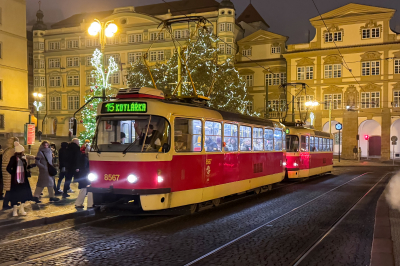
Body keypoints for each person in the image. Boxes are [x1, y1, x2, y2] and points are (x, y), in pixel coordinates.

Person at [6, 142, 33, 217]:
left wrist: (30, 166)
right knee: (15, 195)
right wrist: (14, 174)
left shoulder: (23, 159)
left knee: (23, 195)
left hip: (23, 180)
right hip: (15, 181)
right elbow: (8, 168)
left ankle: (21, 209)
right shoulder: (13, 158)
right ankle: (15, 211)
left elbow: (25, 168)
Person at [2, 137, 19, 210]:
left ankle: (13, 202)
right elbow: (20, 156)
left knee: (11, 188)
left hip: (5, 171)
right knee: (10, 189)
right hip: (9, 171)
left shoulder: (7, 149)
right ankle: (5, 204)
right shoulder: (12, 150)